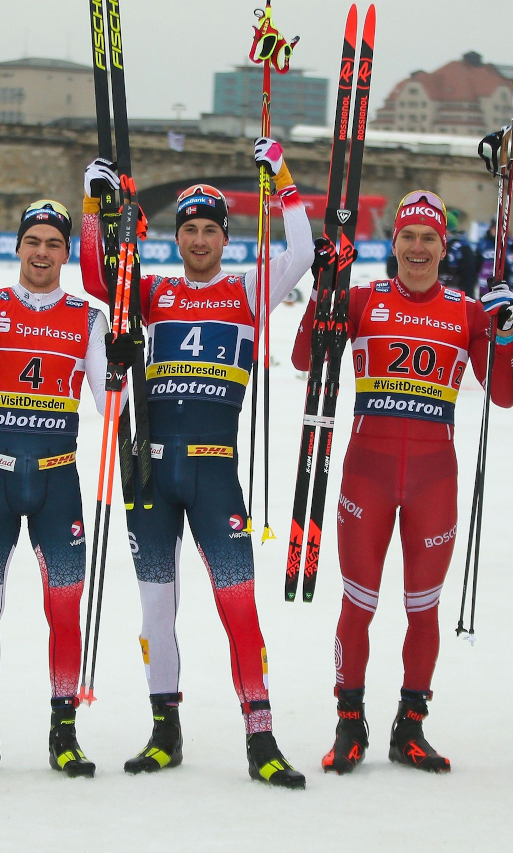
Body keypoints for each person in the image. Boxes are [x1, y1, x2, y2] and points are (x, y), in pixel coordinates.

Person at [80, 137, 313, 788]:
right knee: (157, 610)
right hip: (151, 472)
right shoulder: (152, 291)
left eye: (211, 229)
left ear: (226, 238)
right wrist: (94, 207)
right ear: (178, 238)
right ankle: (165, 730)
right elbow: (97, 279)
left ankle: (261, 737)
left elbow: (302, 252)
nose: (201, 239)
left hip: (215, 474)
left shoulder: (249, 289)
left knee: (239, 607)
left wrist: (282, 178)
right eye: (190, 229)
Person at [290, 191, 513, 775]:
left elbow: (505, 392)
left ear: (443, 249)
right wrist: (323, 294)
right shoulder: (363, 300)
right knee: (358, 605)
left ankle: (410, 727)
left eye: (429, 239)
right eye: (408, 237)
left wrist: (508, 333)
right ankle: (350, 724)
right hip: (366, 477)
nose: (418, 248)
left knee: (423, 610)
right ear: (393, 242)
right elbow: (303, 358)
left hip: (433, 482)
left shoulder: (467, 311)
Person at [0, 199, 121, 778]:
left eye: (54, 244)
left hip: (58, 482)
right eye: (33, 241)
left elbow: (109, 405)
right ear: (17, 247)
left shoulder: (87, 316)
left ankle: (64, 734)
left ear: (66, 253)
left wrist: (122, 364)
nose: (42, 252)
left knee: (65, 609)